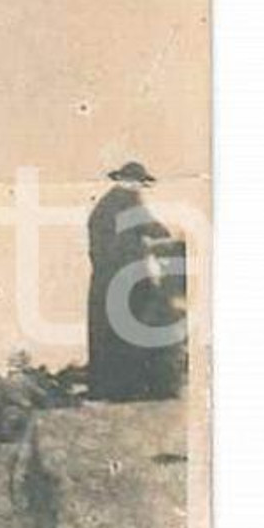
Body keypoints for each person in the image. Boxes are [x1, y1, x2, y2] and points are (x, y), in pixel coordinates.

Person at [87, 160, 176, 402]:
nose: (139, 188)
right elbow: (155, 229)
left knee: (110, 336)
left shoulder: (105, 206)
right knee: (137, 331)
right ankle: (136, 388)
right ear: (128, 181)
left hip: (106, 281)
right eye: (137, 183)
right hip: (127, 279)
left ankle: (113, 390)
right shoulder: (125, 201)